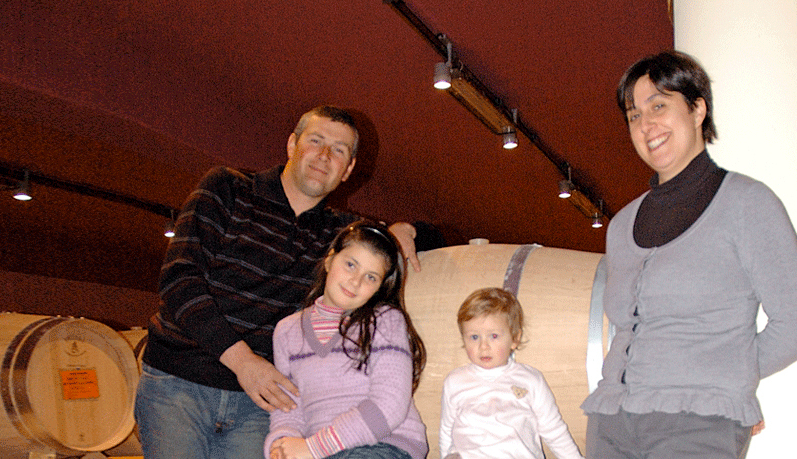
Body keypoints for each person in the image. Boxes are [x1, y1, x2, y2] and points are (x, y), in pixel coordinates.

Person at [135, 105, 430, 459]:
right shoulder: (228, 187)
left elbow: (418, 239)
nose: (324, 155)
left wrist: (403, 231)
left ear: (348, 169)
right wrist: (243, 362)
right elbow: (179, 279)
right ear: (292, 145)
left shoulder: (339, 234)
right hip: (180, 382)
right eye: (316, 141)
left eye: (338, 150)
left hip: (262, 403)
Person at [580, 50, 797, 458]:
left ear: (697, 109)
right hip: (612, 421)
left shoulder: (748, 203)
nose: (646, 125)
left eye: (658, 106)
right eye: (634, 115)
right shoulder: (621, 225)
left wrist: (726, 382)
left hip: (698, 424)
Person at [265, 220, 428, 459]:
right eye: (351, 265)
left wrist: (314, 448)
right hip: (318, 450)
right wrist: (281, 445)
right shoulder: (286, 330)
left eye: (371, 277)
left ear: (380, 287)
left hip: (385, 443)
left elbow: (390, 403)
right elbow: (287, 406)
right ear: (330, 260)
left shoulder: (385, 320)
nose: (356, 281)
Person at [439, 287, 584, 459]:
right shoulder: (455, 381)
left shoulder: (530, 380)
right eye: (474, 337)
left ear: (515, 338)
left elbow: (553, 430)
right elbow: (446, 430)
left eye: (493, 336)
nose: (483, 346)